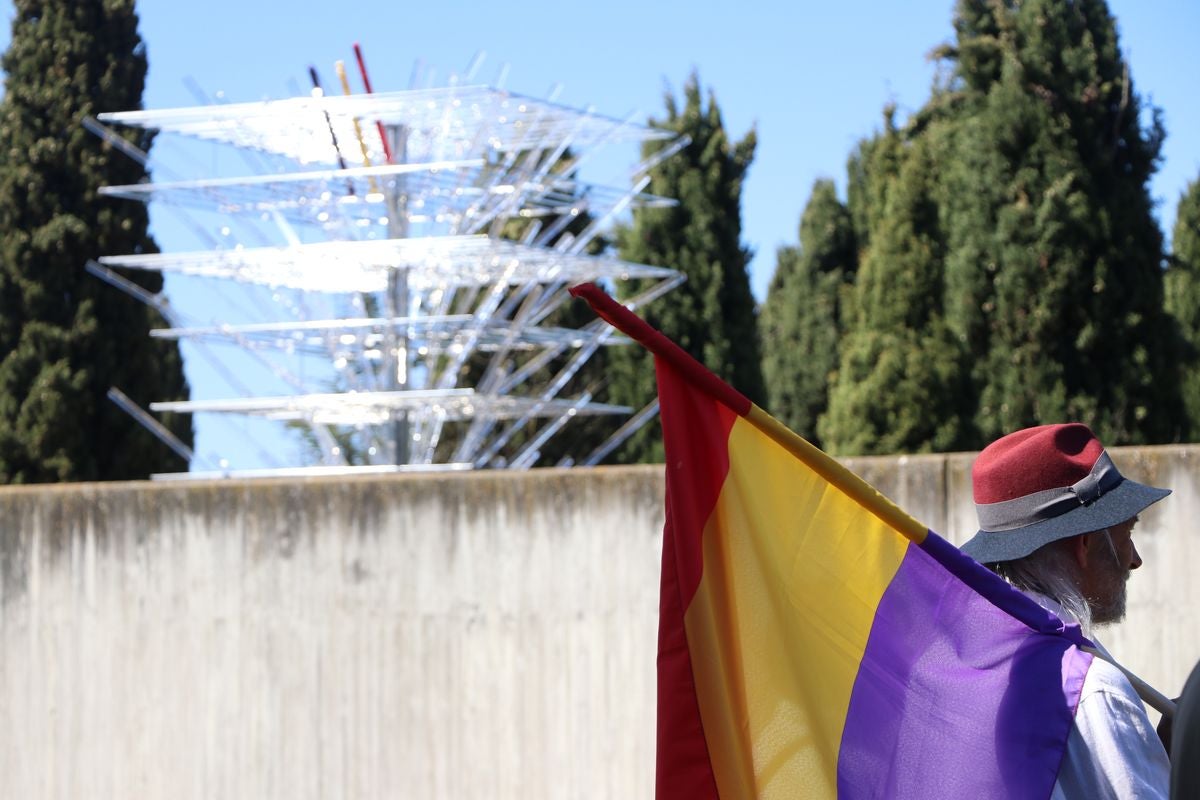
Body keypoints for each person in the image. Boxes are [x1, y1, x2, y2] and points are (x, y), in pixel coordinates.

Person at [960, 422, 1171, 799]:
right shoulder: (1096, 692)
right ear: (1085, 544)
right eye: (1127, 534)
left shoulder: (974, 671)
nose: (1134, 560)